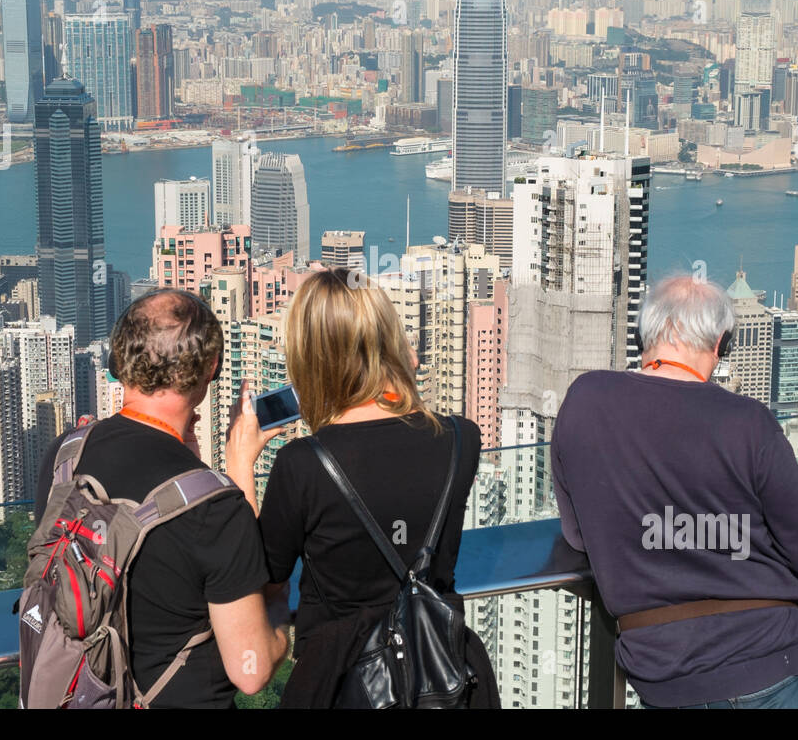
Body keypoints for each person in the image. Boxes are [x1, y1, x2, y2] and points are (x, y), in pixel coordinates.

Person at [551, 274, 798, 708]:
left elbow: (578, 536)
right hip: (768, 662)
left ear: (646, 333)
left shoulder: (585, 400)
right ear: (720, 345)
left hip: (662, 670)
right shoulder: (748, 422)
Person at [226, 267, 497, 707]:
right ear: (391, 340)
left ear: (311, 360)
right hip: (446, 678)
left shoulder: (303, 465)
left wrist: (240, 463)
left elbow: (262, 582)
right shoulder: (462, 440)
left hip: (340, 682)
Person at [35, 289, 289, 707]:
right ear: (210, 369)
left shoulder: (66, 455)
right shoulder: (215, 509)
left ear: (120, 361)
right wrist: (277, 610)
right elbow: (251, 670)